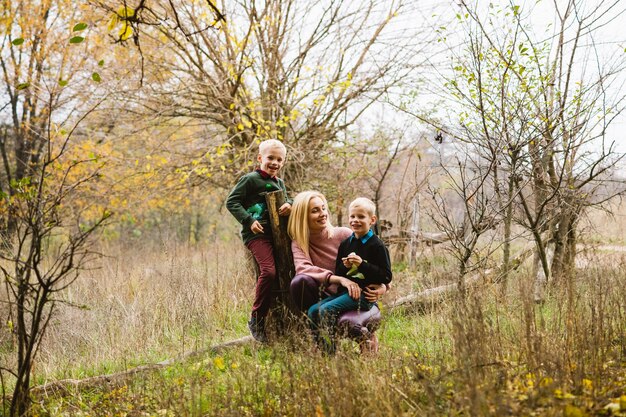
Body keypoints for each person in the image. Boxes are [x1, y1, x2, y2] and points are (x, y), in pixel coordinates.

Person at [287, 191, 388, 353]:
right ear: (302, 216)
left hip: (357, 295)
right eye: (315, 211)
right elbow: (303, 268)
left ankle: (367, 344)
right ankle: (327, 352)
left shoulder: (344, 235)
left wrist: (383, 286)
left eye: (323, 208)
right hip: (331, 297)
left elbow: (378, 264)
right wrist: (339, 279)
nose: (322, 214)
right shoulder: (300, 242)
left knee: (343, 318)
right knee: (301, 284)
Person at [226, 139, 292, 342]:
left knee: (287, 271)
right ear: (260, 158)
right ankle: (257, 318)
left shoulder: (279, 183)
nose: (274, 162)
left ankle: (288, 317)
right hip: (257, 235)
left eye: (279, 159)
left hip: (277, 236)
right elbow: (232, 202)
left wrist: (289, 204)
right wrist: (249, 220)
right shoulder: (250, 179)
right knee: (269, 271)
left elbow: (288, 198)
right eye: (270, 158)